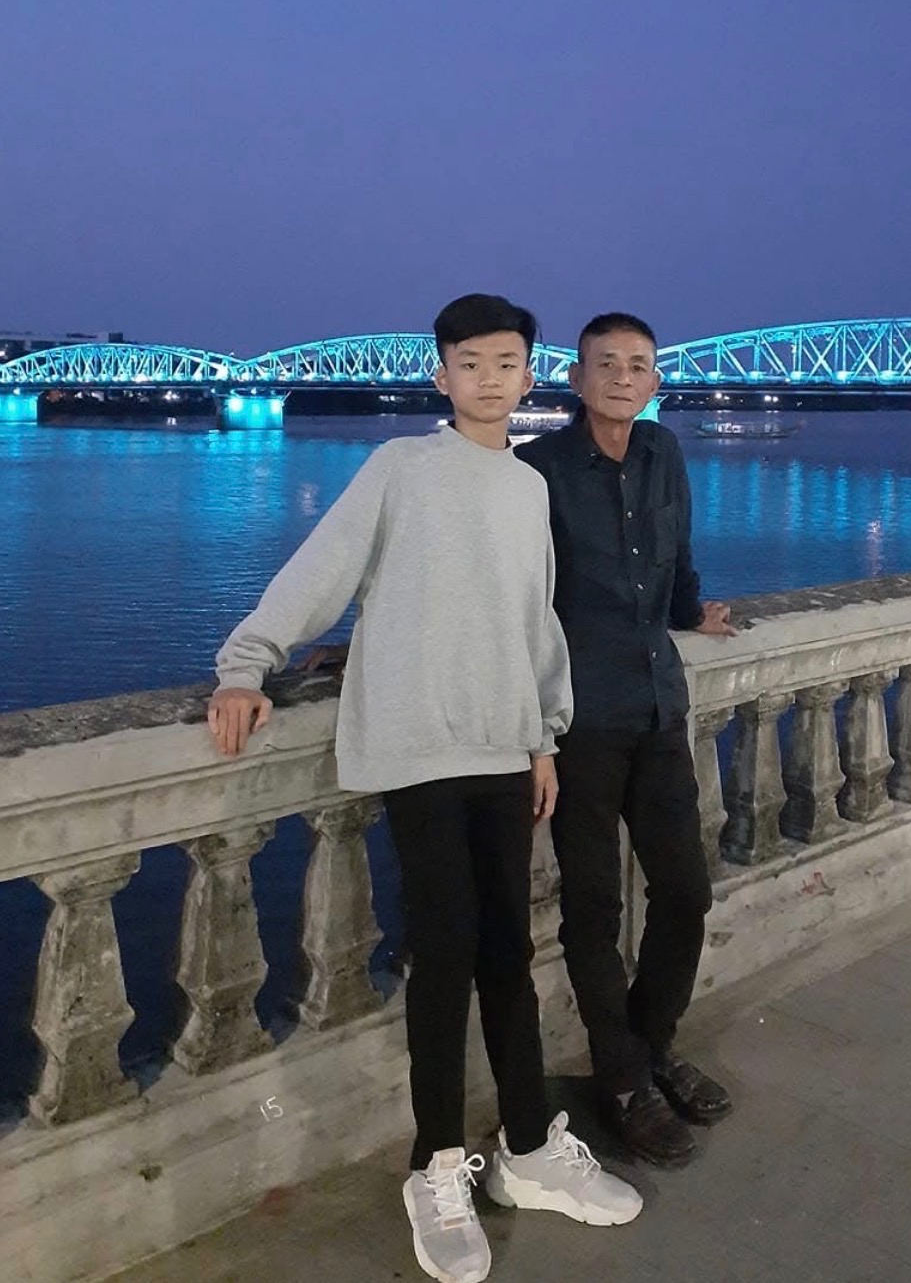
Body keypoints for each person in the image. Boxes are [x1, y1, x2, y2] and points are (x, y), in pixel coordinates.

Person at [206, 294, 641, 1283]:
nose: (490, 379)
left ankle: (527, 1150)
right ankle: (437, 1166)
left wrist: (543, 736)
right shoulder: (400, 467)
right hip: (418, 750)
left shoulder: (526, 487)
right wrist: (246, 664)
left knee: (509, 953)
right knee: (444, 957)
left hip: (501, 750)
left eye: (507, 362)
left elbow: (534, 623)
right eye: (471, 363)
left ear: (529, 374)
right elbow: (322, 570)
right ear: (441, 376)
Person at [518, 313, 736, 1168]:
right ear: (576, 380)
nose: (621, 376)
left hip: (657, 709)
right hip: (580, 722)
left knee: (685, 891)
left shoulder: (663, 452)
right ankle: (620, 1080)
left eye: (637, 365)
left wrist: (691, 611)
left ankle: (651, 1048)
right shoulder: (537, 470)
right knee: (593, 909)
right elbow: (513, 597)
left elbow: (676, 554)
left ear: (654, 383)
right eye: (604, 364)